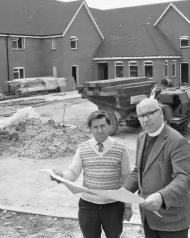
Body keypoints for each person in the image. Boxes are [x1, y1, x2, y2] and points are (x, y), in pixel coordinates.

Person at [51, 110, 133, 238]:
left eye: (103, 126)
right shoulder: (83, 148)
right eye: (95, 127)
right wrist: (61, 176)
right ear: (90, 129)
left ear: (109, 126)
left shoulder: (121, 149)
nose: (100, 130)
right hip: (88, 207)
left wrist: (128, 206)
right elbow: (73, 172)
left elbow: (127, 178)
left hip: (113, 207)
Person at [123, 98, 190, 238]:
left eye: (150, 114)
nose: (145, 119)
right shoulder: (141, 137)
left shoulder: (177, 141)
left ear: (160, 113)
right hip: (148, 217)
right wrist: (123, 192)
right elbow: (139, 171)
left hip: (172, 219)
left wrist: (161, 196)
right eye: (141, 116)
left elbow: (184, 178)